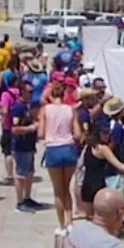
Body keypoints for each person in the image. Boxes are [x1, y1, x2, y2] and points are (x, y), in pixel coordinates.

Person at [39, 80, 81, 228]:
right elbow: (77, 134)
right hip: (68, 149)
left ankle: (62, 224)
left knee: (58, 191)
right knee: (67, 188)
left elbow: (41, 133)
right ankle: (70, 220)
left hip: (53, 149)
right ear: (64, 94)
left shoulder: (45, 110)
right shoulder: (71, 110)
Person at [10, 81, 43, 213]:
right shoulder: (18, 108)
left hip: (29, 145)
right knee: (21, 174)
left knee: (29, 173)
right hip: (21, 146)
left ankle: (27, 197)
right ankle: (19, 201)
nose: (32, 94)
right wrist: (31, 128)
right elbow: (15, 128)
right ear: (22, 92)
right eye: (29, 92)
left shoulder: (27, 107)